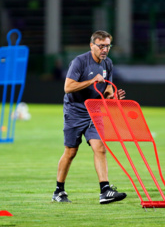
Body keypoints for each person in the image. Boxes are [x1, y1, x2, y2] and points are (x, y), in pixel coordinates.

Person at [52, 30, 127, 204]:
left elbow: (107, 92)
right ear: (92, 45)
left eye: (108, 46)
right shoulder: (79, 62)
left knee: (100, 147)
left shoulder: (108, 63)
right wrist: (91, 81)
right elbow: (68, 87)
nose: (105, 49)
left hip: (95, 110)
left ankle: (105, 190)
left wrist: (113, 97)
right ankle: (59, 191)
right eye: (101, 46)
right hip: (75, 111)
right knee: (70, 152)